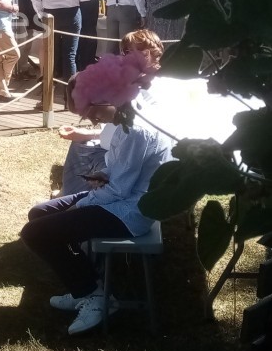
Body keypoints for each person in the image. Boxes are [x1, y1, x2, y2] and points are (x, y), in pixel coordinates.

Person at [20, 35, 172, 335]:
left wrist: (81, 202)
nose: (87, 118)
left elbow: (121, 191)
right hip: (119, 198)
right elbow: (119, 172)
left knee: (35, 233)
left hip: (131, 212)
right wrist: (102, 175)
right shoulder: (124, 115)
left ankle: (95, 298)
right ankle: (87, 286)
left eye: (88, 110)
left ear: (103, 96)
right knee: (40, 214)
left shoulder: (136, 127)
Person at [57, 30, 165, 195]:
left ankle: (76, 198)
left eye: (132, 52)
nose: (126, 57)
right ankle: (68, 192)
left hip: (128, 154)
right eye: (125, 52)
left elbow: (136, 134)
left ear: (150, 53)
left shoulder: (154, 87)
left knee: (93, 155)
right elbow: (116, 127)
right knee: (79, 142)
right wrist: (87, 133)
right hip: (114, 144)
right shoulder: (130, 82)